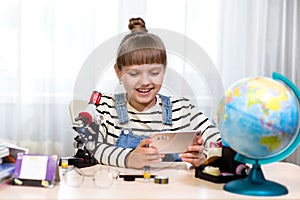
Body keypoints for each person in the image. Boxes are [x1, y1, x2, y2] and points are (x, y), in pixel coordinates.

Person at [86, 17, 221, 169]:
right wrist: (129, 158)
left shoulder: (183, 110)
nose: (145, 82)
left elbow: (218, 144)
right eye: (134, 74)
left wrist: (203, 157)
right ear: (119, 72)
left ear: (164, 69)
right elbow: (91, 146)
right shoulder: (106, 107)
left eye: (154, 72)